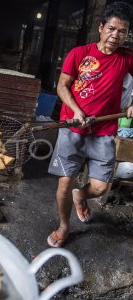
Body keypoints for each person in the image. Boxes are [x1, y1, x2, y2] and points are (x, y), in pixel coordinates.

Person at [47, 1, 133, 247]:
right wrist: (76, 110)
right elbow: (62, 86)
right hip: (72, 129)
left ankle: (80, 195)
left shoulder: (127, 59)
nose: (115, 36)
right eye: (112, 29)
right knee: (65, 182)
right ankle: (64, 226)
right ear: (101, 27)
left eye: (122, 31)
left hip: (104, 132)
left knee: (99, 187)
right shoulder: (79, 54)